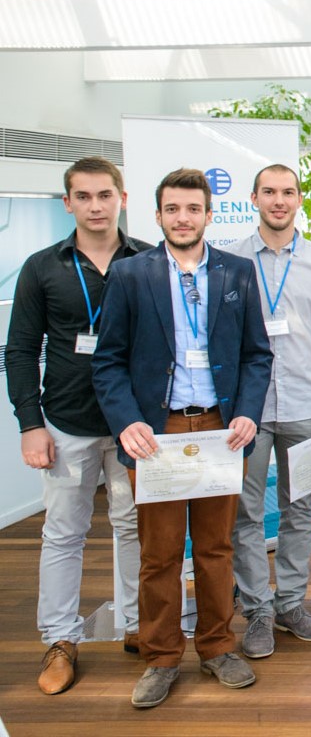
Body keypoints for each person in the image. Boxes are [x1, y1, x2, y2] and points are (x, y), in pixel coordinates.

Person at [92, 167, 272, 707]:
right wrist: (127, 420)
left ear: (209, 215)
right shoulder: (130, 274)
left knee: (216, 547)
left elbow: (256, 355)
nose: (183, 218)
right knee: (160, 553)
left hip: (221, 429)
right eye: (172, 209)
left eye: (193, 209)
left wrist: (247, 413)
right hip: (158, 432)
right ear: (157, 215)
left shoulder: (238, 271)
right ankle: (162, 657)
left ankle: (217, 647)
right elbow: (108, 360)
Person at [8, 157, 148, 695]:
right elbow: (21, 350)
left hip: (133, 424)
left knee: (132, 525)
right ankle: (60, 639)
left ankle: (136, 623)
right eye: (83, 197)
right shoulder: (42, 267)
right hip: (67, 421)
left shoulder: (147, 261)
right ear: (67, 203)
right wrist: (30, 423)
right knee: (64, 532)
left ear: (122, 199)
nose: (95, 206)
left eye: (104, 195)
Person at [223, 165, 311, 658]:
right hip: (247, 411)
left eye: (288, 192)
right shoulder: (231, 259)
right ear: (254, 197)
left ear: (300, 199)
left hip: (306, 404)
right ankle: (257, 609)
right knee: (247, 512)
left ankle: (291, 604)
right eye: (269, 192)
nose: (279, 200)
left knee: (300, 510)